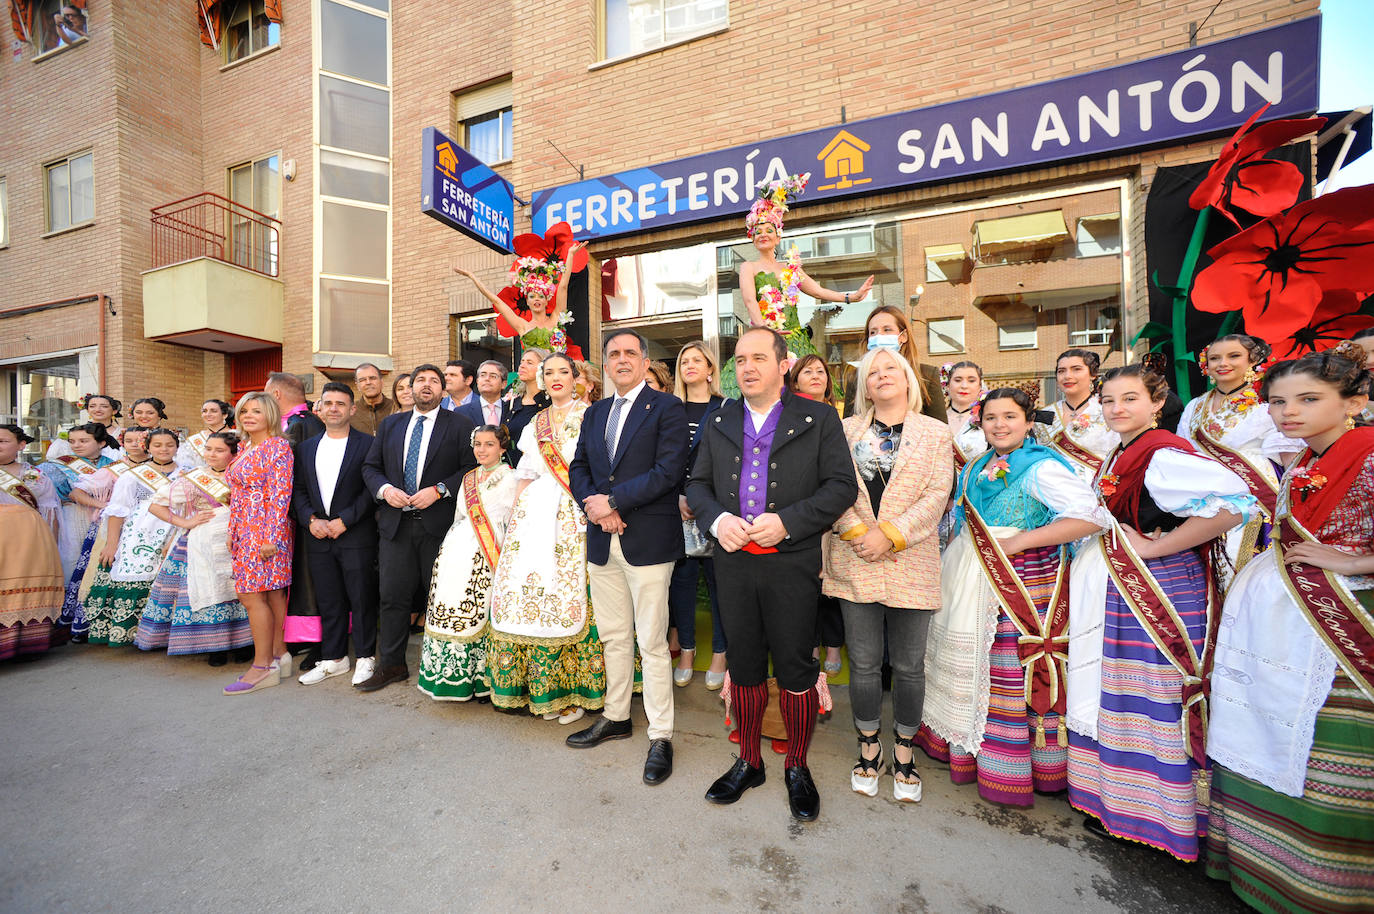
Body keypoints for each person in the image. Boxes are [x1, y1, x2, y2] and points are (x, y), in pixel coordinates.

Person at [1205, 343, 1374, 914]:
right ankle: (1260, 870)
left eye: (1308, 399)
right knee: (1261, 729)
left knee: (1327, 750)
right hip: (1281, 621)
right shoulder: (1302, 459)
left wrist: (1355, 560)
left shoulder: (1369, 456)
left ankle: (1322, 890)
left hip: (1339, 623)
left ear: (1354, 401)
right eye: (1277, 402)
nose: (1288, 412)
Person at [1065, 362, 1255, 862]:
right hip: (1124, 585)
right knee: (1120, 692)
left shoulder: (1163, 453)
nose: (1116, 409)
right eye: (1108, 401)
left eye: (1129, 399)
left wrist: (1156, 547)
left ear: (1156, 403)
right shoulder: (1124, 450)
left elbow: (1234, 506)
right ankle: (1121, 805)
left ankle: (1162, 818)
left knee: (1152, 696)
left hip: (1158, 588)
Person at [687, 326, 858, 822]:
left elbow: (841, 486)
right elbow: (697, 484)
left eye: (759, 358)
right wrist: (718, 521)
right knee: (742, 665)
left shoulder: (819, 417)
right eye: (740, 359)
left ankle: (797, 765)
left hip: (792, 562)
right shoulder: (721, 417)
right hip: (734, 562)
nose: (747, 367)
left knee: (795, 667)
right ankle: (749, 761)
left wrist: (787, 522)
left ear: (784, 365)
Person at [918, 387, 1110, 808]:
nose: (999, 425)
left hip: (1022, 579)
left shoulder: (1042, 467)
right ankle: (965, 749)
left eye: (1009, 417)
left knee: (1008, 666)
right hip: (969, 573)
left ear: (1028, 422)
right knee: (976, 667)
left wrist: (1022, 540)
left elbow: (1092, 516)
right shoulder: (976, 465)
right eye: (991, 418)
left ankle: (1019, 768)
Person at [824, 347, 953, 803]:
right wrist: (860, 533)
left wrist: (892, 536)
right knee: (862, 664)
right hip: (855, 555)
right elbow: (831, 486)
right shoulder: (844, 430)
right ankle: (868, 746)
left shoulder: (935, 432)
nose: (881, 376)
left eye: (890, 369)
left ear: (907, 378)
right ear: (864, 385)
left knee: (908, 666)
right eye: (872, 372)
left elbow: (938, 494)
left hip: (912, 561)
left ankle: (903, 749)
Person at [566, 331, 688, 786]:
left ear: (644, 361)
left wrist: (614, 502)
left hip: (648, 541)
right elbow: (579, 467)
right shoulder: (595, 411)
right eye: (613, 353)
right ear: (606, 363)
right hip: (603, 540)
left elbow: (668, 471)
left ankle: (661, 735)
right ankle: (616, 716)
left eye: (629, 353)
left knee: (652, 642)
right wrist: (597, 508)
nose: (621, 360)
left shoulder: (667, 407)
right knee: (614, 636)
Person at [487, 354, 610, 719]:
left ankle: (578, 689)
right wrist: (516, 519)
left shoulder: (592, 415)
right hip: (535, 517)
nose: (556, 378)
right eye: (549, 372)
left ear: (576, 378)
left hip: (575, 513)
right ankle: (541, 686)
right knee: (533, 594)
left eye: (563, 372)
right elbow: (525, 475)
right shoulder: (535, 423)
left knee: (573, 596)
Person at [360, 364, 477, 692]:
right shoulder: (391, 425)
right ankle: (392, 665)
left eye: (434, 381)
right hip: (396, 526)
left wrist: (440, 490)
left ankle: (446, 671)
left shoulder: (459, 424)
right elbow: (371, 467)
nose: (427, 385)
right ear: (410, 388)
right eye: (420, 380)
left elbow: (472, 467)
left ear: (443, 390)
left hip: (439, 527)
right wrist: (385, 490)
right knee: (392, 598)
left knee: (442, 599)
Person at [720, 174, 873, 399]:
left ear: (778, 237)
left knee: (803, 388)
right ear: (752, 238)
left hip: (794, 337)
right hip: (766, 337)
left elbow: (818, 291)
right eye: (758, 232)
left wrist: (851, 297)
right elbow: (750, 301)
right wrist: (765, 333)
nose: (763, 235)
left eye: (769, 230)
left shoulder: (790, 268)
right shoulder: (748, 267)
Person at [1179, 334, 1297, 572]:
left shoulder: (1267, 404)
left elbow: (1290, 459)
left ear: (1252, 360)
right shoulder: (1195, 406)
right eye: (1215, 358)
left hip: (1255, 498)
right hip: (1205, 498)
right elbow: (1183, 451)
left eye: (1234, 356)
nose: (1223, 363)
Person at [419, 424, 517, 702]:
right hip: (458, 550)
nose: (482, 450)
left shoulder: (511, 478)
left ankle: (485, 681)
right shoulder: (468, 478)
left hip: (490, 548)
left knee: (482, 610)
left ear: (502, 448)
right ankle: (452, 677)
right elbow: (461, 515)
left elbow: (513, 519)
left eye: (489, 444)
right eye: (478, 444)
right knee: (452, 606)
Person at [135, 432, 252, 662]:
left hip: (239, 540)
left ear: (234, 453)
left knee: (240, 591)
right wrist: (185, 522)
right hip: (203, 542)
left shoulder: (243, 475)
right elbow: (156, 505)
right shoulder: (194, 478)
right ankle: (215, 646)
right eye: (208, 449)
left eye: (219, 450)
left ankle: (245, 643)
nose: (211, 454)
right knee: (210, 589)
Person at [291, 383, 379, 686]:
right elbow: (298, 490)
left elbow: (371, 489)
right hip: (318, 536)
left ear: (352, 409)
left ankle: (366, 657)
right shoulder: (306, 447)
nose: (334, 408)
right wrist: (309, 520)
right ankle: (334, 658)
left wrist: (346, 520)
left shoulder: (368, 444)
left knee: (362, 598)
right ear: (319, 409)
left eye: (341, 404)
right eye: (328, 403)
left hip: (355, 535)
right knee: (329, 600)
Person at [222, 393, 295, 695]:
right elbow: (237, 496)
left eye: (256, 411)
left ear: (271, 416)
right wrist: (232, 530)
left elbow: (280, 494)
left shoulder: (276, 447)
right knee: (271, 594)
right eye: (244, 411)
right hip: (245, 529)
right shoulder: (245, 447)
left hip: (264, 531)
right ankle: (279, 655)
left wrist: (271, 537)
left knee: (250, 596)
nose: (248, 416)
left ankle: (262, 666)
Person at [83, 428, 181, 647]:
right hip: (139, 532)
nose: (164, 449)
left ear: (177, 447)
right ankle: (132, 632)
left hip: (175, 528)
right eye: (157, 445)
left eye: (169, 445)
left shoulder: (186, 473)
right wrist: (111, 544)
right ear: (148, 447)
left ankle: (166, 635)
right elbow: (118, 511)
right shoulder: (132, 475)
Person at [669, 341, 727, 689]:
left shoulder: (727, 407)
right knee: (683, 585)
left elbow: (731, 459)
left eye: (697, 360)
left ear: (710, 369)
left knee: (720, 586)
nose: (689, 365)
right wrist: (678, 495)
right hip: (676, 509)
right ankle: (687, 651)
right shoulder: (670, 409)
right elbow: (664, 458)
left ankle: (720, 652)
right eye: (684, 361)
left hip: (717, 509)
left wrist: (705, 501)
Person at [788, 353, 846, 674]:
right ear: (795, 379)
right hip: (800, 513)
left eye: (821, 371)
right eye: (807, 371)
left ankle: (834, 647)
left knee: (833, 584)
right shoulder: (786, 414)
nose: (815, 375)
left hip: (836, 511)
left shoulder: (840, 416)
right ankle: (810, 645)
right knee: (806, 588)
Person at [62, 430, 146, 640]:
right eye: (128, 440)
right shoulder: (112, 470)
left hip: (146, 529)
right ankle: (93, 624)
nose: (134, 444)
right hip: (113, 527)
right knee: (102, 571)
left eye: (139, 440)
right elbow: (76, 493)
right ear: (122, 443)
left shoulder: (158, 468)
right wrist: (106, 506)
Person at [452, 233, 587, 360]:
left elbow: (563, 287)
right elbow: (496, 301)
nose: (536, 299)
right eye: (532, 296)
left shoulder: (557, 317)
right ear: (527, 301)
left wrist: (570, 255)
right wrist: (472, 277)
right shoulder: (522, 326)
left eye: (541, 296)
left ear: (547, 300)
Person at [267, 371, 323, 665]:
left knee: (309, 579)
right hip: (288, 516)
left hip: (305, 516)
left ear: (276, 394)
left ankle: (317, 640)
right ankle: (297, 636)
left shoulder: (305, 424)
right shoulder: (290, 423)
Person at [0, 424, 64, 660]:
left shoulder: (35, 476)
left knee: (24, 586)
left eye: (3, 441)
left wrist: (52, 545)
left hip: (28, 539)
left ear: (21, 445)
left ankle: (26, 643)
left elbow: (50, 511)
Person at [39, 422, 118, 580]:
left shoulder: (113, 464)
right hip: (74, 515)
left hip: (106, 517)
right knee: (73, 556)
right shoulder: (58, 465)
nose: (76, 445)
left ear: (101, 443)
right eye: (72, 441)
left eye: (83, 441)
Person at [1036, 349, 1118, 480]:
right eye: (1061, 371)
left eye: (1076, 369)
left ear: (1093, 374)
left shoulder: (1109, 410)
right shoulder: (1044, 414)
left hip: (1098, 486)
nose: (1067, 376)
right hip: (1050, 486)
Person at [856, 306, 948, 422]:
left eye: (887, 330)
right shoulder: (857, 376)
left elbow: (939, 425)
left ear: (903, 336)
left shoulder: (927, 374)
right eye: (873, 332)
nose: (879, 336)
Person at [504, 348, 550, 467]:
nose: (522, 366)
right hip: (512, 469)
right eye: (522, 362)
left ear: (542, 369)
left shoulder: (550, 404)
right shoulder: (511, 404)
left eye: (529, 363)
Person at [944, 361, 989, 472]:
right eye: (958, 380)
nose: (964, 386)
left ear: (980, 386)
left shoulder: (988, 419)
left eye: (971, 381)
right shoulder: (936, 419)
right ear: (948, 386)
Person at [46, 395, 122, 461]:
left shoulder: (122, 434)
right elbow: (55, 457)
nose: (98, 410)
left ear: (114, 411)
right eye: (92, 406)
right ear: (87, 410)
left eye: (104, 406)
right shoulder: (74, 433)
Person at [176, 399, 235, 471]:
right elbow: (184, 465)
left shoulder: (238, 436)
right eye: (204, 411)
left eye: (213, 411)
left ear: (225, 415)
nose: (208, 414)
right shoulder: (193, 440)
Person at [458, 360, 512, 431]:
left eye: (493, 376)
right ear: (477, 381)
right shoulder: (461, 412)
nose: (487, 379)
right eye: (483, 375)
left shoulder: (511, 410)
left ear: (503, 384)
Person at [350, 363, 396, 436]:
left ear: (382, 382)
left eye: (372, 378)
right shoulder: (350, 412)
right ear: (357, 386)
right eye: (362, 380)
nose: (368, 382)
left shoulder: (396, 408)